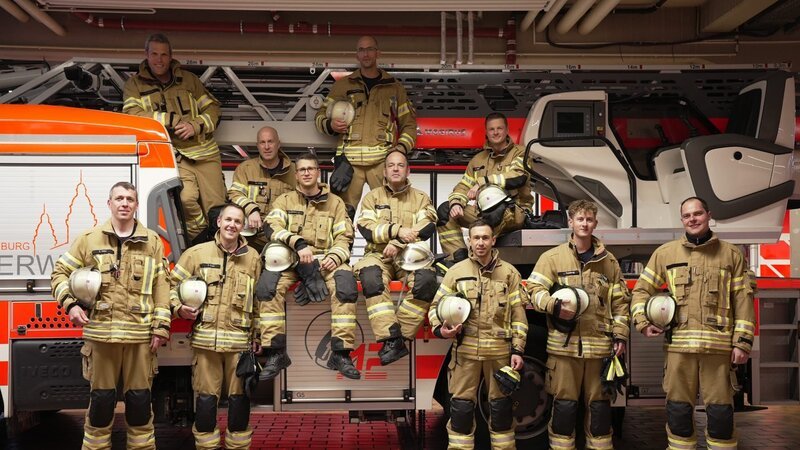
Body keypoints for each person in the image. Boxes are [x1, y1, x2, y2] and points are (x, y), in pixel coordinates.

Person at [51, 182, 171, 450]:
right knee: (101, 405)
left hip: (140, 337)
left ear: (136, 205)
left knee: (140, 404)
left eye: (130, 198)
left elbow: (162, 285)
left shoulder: (151, 241)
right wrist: (70, 305)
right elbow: (59, 273)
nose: (124, 203)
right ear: (109, 203)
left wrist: (161, 326)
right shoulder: (89, 239)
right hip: (101, 335)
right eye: (119, 198)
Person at [631, 197, 755, 450]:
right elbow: (640, 290)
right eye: (687, 216)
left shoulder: (730, 254)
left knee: (721, 416)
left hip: (717, 351)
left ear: (708, 215)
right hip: (679, 351)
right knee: (678, 414)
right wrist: (643, 322)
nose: (693, 219)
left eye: (697, 214)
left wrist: (742, 343)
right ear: (682, 220)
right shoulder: (665, 254)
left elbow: (743, 299)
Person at [526, 200, 630, 449]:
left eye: (589, 219)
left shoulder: (609, 262)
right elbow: (534, 290)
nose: (585, 224)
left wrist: (620, 336)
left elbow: (620, 302)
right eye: (580, 219)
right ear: (570, 222)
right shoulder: (552, 258)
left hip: (600, 350)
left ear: (595, 223)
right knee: (564, 409)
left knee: (600, 412)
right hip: (564, 350)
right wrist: (553, 306)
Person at [257, 153, 361, 380]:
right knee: (267, 287)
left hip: (326, 262)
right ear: (296, 174)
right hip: (292, 261)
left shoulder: (335, 203)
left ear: (318, 172)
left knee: (346, 285)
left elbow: (345, 238)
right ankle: (276, 353)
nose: (306, 173)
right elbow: (271, 227)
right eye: (302, 169)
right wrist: (297, 243)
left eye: (310, 169)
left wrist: (335, 256)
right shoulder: (284, 201)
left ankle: (341, 354)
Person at [429, 219, 528, 450]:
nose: (481, 243)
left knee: (502, 411)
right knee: (461, 412)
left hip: (500, 354)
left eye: (485, 237)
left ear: (493, 240)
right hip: (465, 354)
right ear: (469, 241)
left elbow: (518, 315)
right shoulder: (456, 272)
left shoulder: (509, 274)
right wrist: (440, 329)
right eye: (476, 238)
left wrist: (518, 349)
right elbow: (436, 306)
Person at [169, 203, 261, 449]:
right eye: (228, 219)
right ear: (219, 222)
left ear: (243, 227)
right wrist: (179, 308)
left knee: (240, 404)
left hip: (239, 344)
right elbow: (169, 287)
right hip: (205, 343)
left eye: (238, 221)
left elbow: (260, 302)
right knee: (206, 404)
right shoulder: (196, 254)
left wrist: (258, 335)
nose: (232, 225)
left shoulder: (252, 258)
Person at [123, 33, 226, 242]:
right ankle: (199, 242)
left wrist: (195, 126)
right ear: (146, 55)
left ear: (171, 57)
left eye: (163, 54)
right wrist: (167, 119)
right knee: (186, 200)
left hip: (206, 155)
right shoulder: (134, 85)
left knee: (217, 208)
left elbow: (213, 108)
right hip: (175, 156)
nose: (159, 60)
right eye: (154, 54)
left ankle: (218, 247)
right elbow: (130, 116)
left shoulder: (188, 80)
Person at [315, 35, 417, 219]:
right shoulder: (343, 86)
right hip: (349, 163)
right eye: (361, 50)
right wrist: (330, 125)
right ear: (357, 55)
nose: (366, 54)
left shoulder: (394, 87)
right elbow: (320, 116)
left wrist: (399, 151)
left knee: (387, 214)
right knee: (342, 216)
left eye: (370, 49)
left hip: (381, 162)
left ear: (378, 53)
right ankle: (342, 249)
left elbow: (409, 125)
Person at [353, 150, 438, 365]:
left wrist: (398, 242)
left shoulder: (421, 198)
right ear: (384, 171)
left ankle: (400, 337)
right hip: (377, 254)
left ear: (408, 170)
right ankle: (390, 337)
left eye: (400, 165)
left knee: (427, 281)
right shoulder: (372, 198)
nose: (396, 169)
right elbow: (366, 228)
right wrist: (397, 230)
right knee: (371, 277)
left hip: (410, 255)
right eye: (391, 165)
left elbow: (426, 226)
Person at [437, 112, 533, 263]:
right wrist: (456, 203)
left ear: (507, 130)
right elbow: (463, 186)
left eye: (499, 128)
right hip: (484, 212)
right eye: (492, 129)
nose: (495, 132)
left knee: (494, 212)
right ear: (486, 132)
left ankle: (481, 262)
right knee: (445, 211)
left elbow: (518, 177)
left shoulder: (520, 152)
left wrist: (483, 181)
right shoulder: (478, 160)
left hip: (514, 212)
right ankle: (459, 261)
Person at [228, 126, 296, 253]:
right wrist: (251, 209)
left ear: (278, 144)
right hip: (250, 237)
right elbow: (234, 194)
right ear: (257, 145)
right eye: (262, 142)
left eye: (270, 141)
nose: (266, 147)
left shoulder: (294, 172)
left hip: (281, 238)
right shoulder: (245, 169)